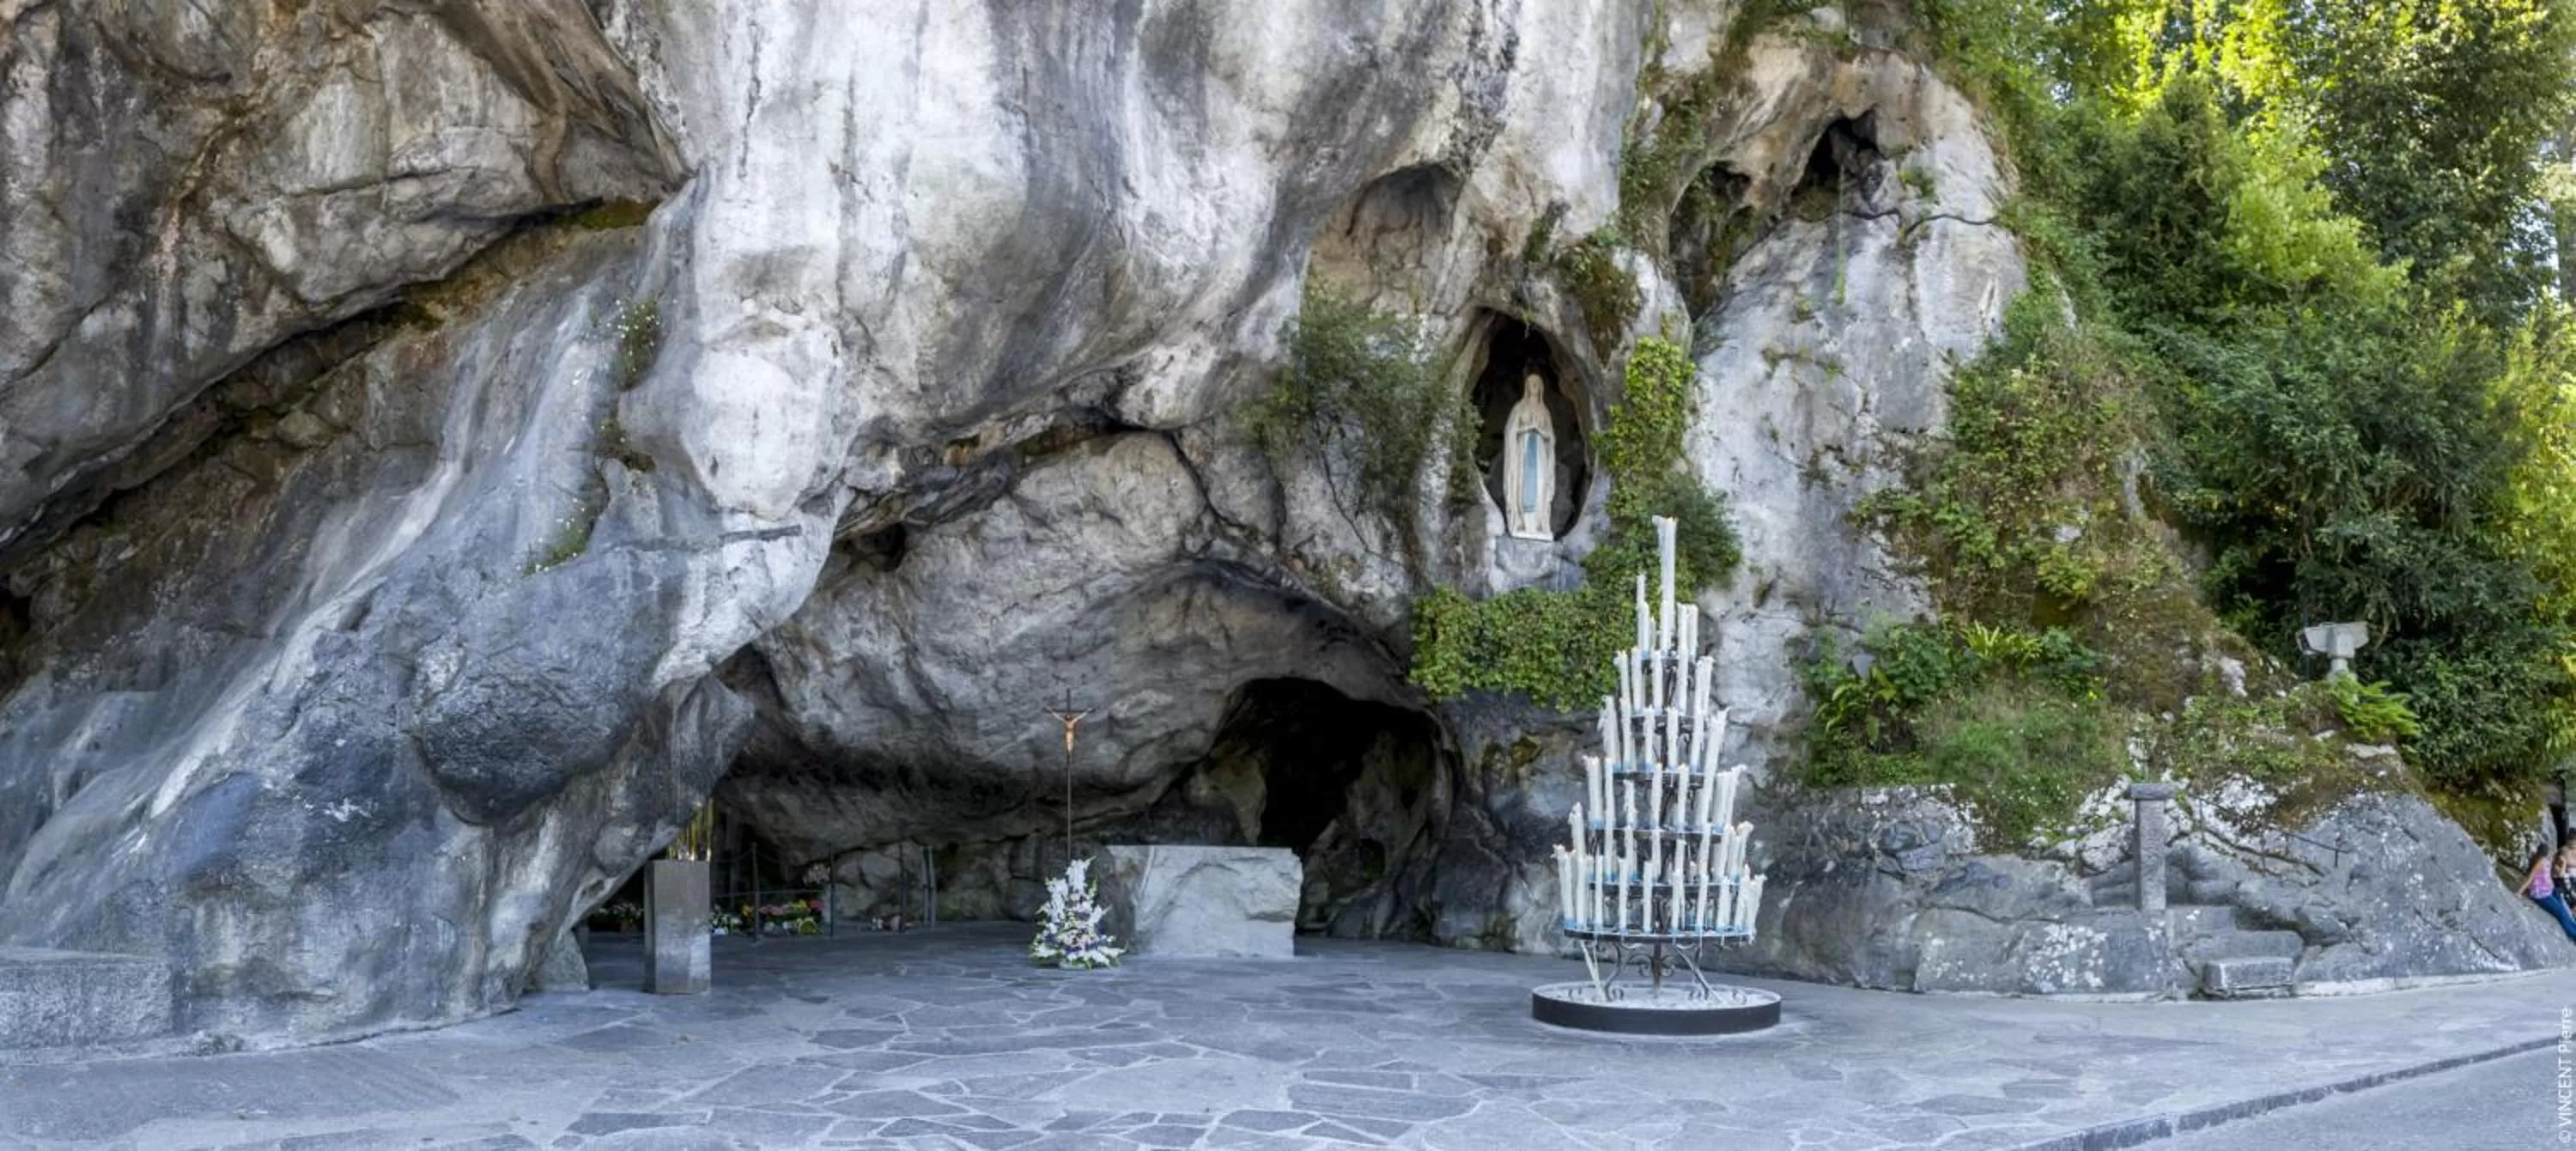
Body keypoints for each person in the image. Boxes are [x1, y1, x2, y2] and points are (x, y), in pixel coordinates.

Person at [2524, 847, 2576, 942]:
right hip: (2541, 895)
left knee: (2564, 911)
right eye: (2552, 853)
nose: (2554, 855)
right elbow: (2530, 879)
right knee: (2561, 913)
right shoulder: (2543, 863)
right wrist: (2519, 892)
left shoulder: (2548, 864)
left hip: (2549, 892)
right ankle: (2574, 935)